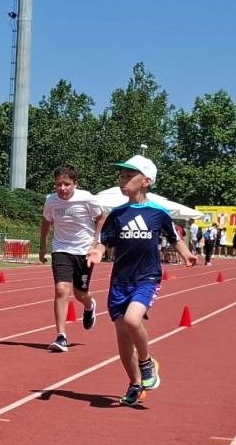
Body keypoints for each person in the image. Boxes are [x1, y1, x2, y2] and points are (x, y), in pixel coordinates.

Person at [86, 155, 196, 406]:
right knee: (123, 339)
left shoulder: (158, 213)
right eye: (121, 176)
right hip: (120, 281)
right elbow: (104, 241)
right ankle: (135, 384)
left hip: (146, 277)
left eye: (129, 177)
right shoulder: (117, 214)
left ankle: (146, 362)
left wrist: (186, 253)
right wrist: (98, 251)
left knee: (132, 319)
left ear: (145, 181)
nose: (122, 181)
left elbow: (173, 237)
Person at [38, 164, 105, 352]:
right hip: (61, 249)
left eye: (66, 184)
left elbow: (101, 218)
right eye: (58, 184)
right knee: (61, 289)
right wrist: (43, 246)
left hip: (84, 251)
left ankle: (89, 305)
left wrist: (95, 242)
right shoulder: (50, 201)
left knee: (80, 294)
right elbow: (46, 222)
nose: (62, 189)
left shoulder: (87, 198)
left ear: (75, 184)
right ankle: (61, 336)